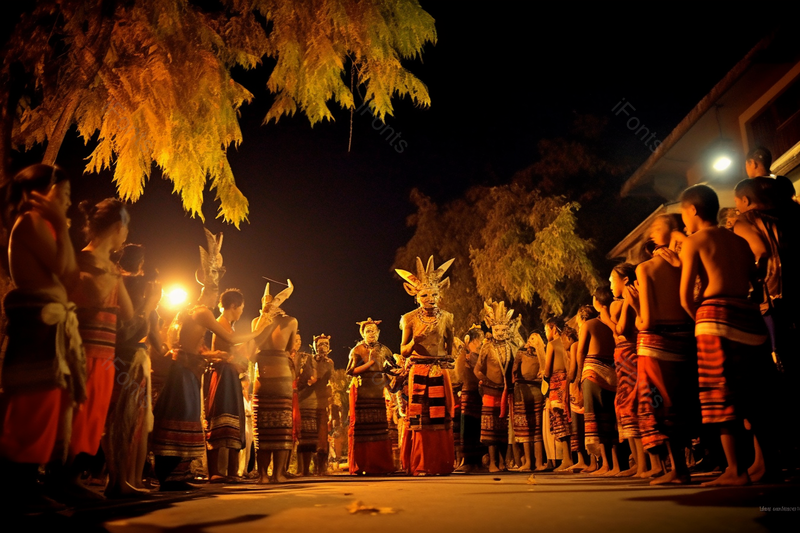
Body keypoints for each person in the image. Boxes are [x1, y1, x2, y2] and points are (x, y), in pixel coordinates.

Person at [151, 230, 267, 490]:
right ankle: (171, 476)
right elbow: (229, 336)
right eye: (215, 291)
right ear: (210, 291)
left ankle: (177, 475)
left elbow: (194, 345)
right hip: (184, 372)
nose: (217, 299)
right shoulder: (202, 311)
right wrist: (258, 331)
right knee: (182, 415)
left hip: (187, 369)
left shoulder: (191, 311)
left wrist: (213, 354)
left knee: (186, 416)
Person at [679, 184, 778, 486]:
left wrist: (701, 320)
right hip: (748, 316)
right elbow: (755, 281)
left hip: (715, 316)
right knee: (756, 393)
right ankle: (765, 465)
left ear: (693, 210)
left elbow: (685, 297)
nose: (683, 221)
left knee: (721, 394)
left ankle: (735, 469)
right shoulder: (739, 241)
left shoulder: (695, 242)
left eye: (683, 214)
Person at [0, 165, 82, 509]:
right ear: (40, 193)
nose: (68, 203)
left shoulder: (43, 225)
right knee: (34, 405)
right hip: (37, 326)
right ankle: (19, 488)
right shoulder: (31, 222)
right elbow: (64, 269)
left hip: (50, 327)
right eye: (63, 195)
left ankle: (35, 483)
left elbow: (72, 275)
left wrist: (60, 228)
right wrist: (61, 227)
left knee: (50, 404)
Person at [68, 198, 134, 495]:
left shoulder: (110, 266)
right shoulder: (84, 259)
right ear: (118, 227)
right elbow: (92, 297)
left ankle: (73, 480)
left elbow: (129, 314)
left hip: (105, 354)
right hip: (84, 352)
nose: (127, 235)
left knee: (94, 421)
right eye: (126, 228)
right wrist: (112, 273)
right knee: (78, 419)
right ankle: (65, 480)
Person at [627, 213, 698, 485]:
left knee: (659, 405)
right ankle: (681, 466)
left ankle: (677, 468)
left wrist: (635, 307)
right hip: (685, 339)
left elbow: (646, 321)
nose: (652, 231)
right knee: (681, 402)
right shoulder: (685, 265)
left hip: (656, 349)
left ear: (674, 230)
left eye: (658, 226)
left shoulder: (645, 269)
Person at [105, 243, 160, 497]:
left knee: (122, 419)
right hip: (127, 358)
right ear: (140, 265)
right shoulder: (134, 286)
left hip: (120, 356)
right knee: (125, 420)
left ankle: (124, 479)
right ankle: (121, 480)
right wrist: (150, 303)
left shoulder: (119, 281)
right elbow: (131, 327)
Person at [396, 256, 456, 476]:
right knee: (420, 417)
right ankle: (421, 463)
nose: (430, 299)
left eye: (434, 295)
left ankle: (440, 463)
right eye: (425, 295)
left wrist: (446, 360)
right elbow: (403, 350)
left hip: (438, 371)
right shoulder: (409, 318)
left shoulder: (447, 317)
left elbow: (450, 347)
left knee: (441, 416)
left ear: (441, 294)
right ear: (414, 295)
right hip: (419, 370)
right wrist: (415, 342)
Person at [608, 262, 656, 478]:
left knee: (633, 405)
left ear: (625, 280)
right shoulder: (627, 297)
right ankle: (639, 463)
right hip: (626, 358)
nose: (611, 285)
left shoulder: (628, 297)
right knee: (628, 406)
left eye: (612, 281)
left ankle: (645, 464)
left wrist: (605, 316)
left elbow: (621, 329)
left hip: (630, 355)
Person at [251, 279, 296, 483]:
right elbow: (289, 348)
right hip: (280, 376)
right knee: (280, 427)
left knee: (263, 428)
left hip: (263, 378)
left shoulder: (257, 322)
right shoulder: (290, 322)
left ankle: (263, 475)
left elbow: (254, 347)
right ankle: (276, 474)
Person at [206, 289, 249, 483]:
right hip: (223, 376)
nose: (241, 312)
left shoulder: (227, 326)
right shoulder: (220, 323)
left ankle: (231, 471)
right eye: (241, 308)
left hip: (229, 375)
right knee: (221, 417)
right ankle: (216, 471)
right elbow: (222, 354)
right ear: (233, 306)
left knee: (233, 419)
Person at [575, 287, 619, 476]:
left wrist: (579, 376)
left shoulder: (589, 324)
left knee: (598, 421)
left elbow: (581, 352)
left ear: (597, 302)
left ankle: (606, 464)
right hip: (612, 371)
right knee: (611, 419)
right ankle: (615, 464)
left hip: (593, 371)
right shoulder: (612, 324)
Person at [346, 319, 395, 475]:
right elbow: (351, 371)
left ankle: (381, 464)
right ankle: (364, 465)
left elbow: (392, 367)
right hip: (364, 390)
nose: (371, 333)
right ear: (363, 334)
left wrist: (397, 372)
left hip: (378, 390)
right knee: (364, 429)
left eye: (374, 330)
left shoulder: (384, 349)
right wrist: (369, 363)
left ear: (378, 333)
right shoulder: (357, 349)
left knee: (380, 428)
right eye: (368, 331)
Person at [475, 300, 517, 473]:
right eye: (497, 330)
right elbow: (477, 369)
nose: (500, 333)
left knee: (504, 428)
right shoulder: (486, 347)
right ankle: (493, 462)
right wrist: (486, 381)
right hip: (490, 392)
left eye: (503, 330)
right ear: (492, 329)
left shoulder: (512, 347)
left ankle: (503, 462)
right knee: (490, 429)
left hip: (506, 392)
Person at [454, 325, 486, 473]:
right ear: (470, 341)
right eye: (478, 339)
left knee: (475, 428)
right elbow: (459, 375)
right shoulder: (467, 356)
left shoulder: (478, 356)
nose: (481, 342)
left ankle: (475, 462)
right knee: (467, 428)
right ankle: (468, 461)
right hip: (468, 394)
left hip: (478, 395)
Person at [513, 332, 546, 472]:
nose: (531, 341)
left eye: (534, 339)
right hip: (522, 390)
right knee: (525, 428)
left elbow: (544, 373)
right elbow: (514, 371)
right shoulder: (521, 354)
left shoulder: (542, 356)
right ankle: (528, 462)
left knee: (537, 428)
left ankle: (539, 463)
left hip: (537, 391)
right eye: (530, 338)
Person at [543, 318, 573, 471]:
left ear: (553, 328)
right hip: (569, 382)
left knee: (560, 420)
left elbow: (547, 370)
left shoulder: (552, 344)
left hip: (556, 383)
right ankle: (572, 458)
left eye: (546, 330)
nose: (545, 333)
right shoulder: (569, 341)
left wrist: (543, 374)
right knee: (569, 420)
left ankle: (567, 459)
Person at [295, 332, 318, 476]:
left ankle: (305, 469)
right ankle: (297, 469)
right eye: (294, 340)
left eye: (299, 340)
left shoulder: (307, 357)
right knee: (296, 435)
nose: (297, 342)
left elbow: (315, 375)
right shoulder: (287, 357)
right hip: (294, 397)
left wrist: (312, 379)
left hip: (308, 400)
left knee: (308, 435)